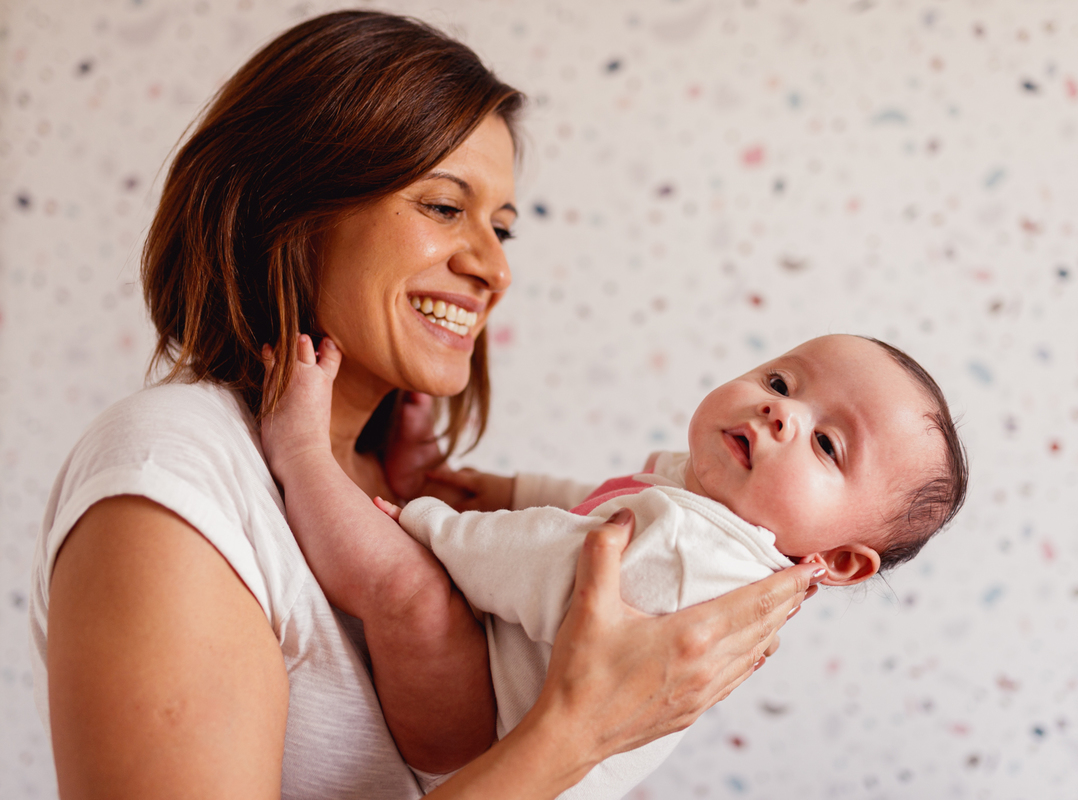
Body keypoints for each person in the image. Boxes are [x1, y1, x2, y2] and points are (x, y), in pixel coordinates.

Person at [26, 11, 827, 800]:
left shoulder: (406, 480)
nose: (492, 268)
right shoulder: (173, 481)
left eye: (502, 229)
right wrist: (579, 732)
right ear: (288, 206)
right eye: (445, 208)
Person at [260, 331, 969, 796]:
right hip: (508, 707)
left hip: (480, 738)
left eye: (828, 446)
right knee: (470, 534)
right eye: (782, 383)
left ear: (839, 560)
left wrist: (426, 523)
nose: (781, 413)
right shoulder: (705, 503)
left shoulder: (696, 558)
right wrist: (504, 489)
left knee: (412, 585)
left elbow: (539, 561)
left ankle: (297, 454)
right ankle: (431, 471)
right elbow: (599, 507)